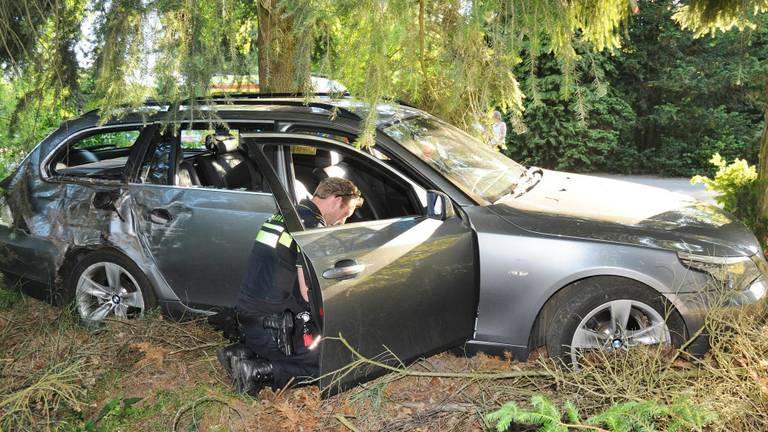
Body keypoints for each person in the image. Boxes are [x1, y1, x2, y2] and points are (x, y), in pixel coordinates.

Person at [218, 177, 363, 394]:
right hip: (273, 333)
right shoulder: (310, 229)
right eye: (346, 213)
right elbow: (308, 293)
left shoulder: (283, 216)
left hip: (247, 323)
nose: (342, 222)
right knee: (335, 361)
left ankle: (241, 353)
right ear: (336, 199)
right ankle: (259, 372)